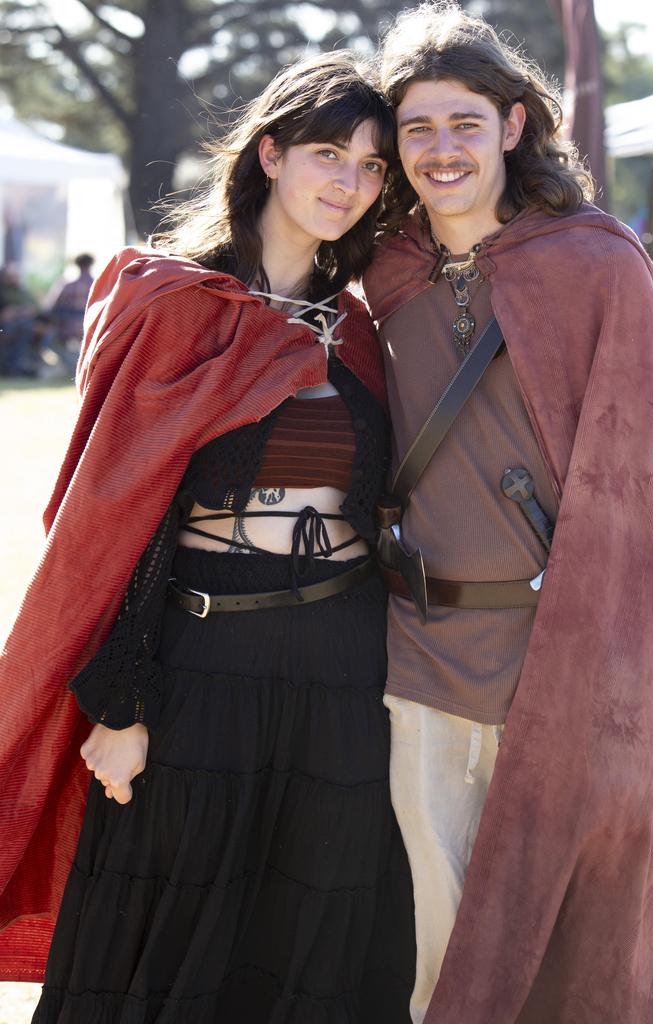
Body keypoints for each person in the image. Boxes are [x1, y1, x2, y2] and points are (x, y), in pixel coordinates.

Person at [0, 51, 415, 1022]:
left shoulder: (359, 330)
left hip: (341, 675)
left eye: (370, 167)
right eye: (328, 152)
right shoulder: (172, 303)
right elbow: (112, 521)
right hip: (199, 667)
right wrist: (121, 700)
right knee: (165, 952)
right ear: (270, 153)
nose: (348, 181)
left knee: (307, 946)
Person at [363, 3, 653, 1023]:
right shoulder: (380, 271)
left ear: (514, 124)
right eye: (417, 128)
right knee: (439, 942)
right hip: (418, 649)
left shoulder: (596, 266)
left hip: (558, 659)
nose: (440, 149)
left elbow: (650, 498)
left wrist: (626, 666)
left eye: (463, 123)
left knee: (561, 940)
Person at [46, 253, 95, 376]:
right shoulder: (98, 284)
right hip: (91, 326)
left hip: (67, 327)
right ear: (91, 265)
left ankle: (73, 368)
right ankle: (85, 370)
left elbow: (52, 306)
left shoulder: (66, 284)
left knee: (51, 341)